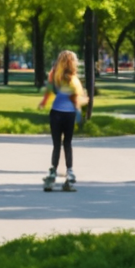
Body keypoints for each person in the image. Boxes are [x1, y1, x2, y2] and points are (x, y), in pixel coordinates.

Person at [37, 50, 90, 189]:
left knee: (56, 145)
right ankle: (70, 172)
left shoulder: (55, 75)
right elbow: (75, 98)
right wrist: (79, 112)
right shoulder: (74, 79)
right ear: (73, 63)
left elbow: (49, 89)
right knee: (67, 143)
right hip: (69, 114)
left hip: (56, 113)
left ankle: (53, 171)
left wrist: (43, 102)